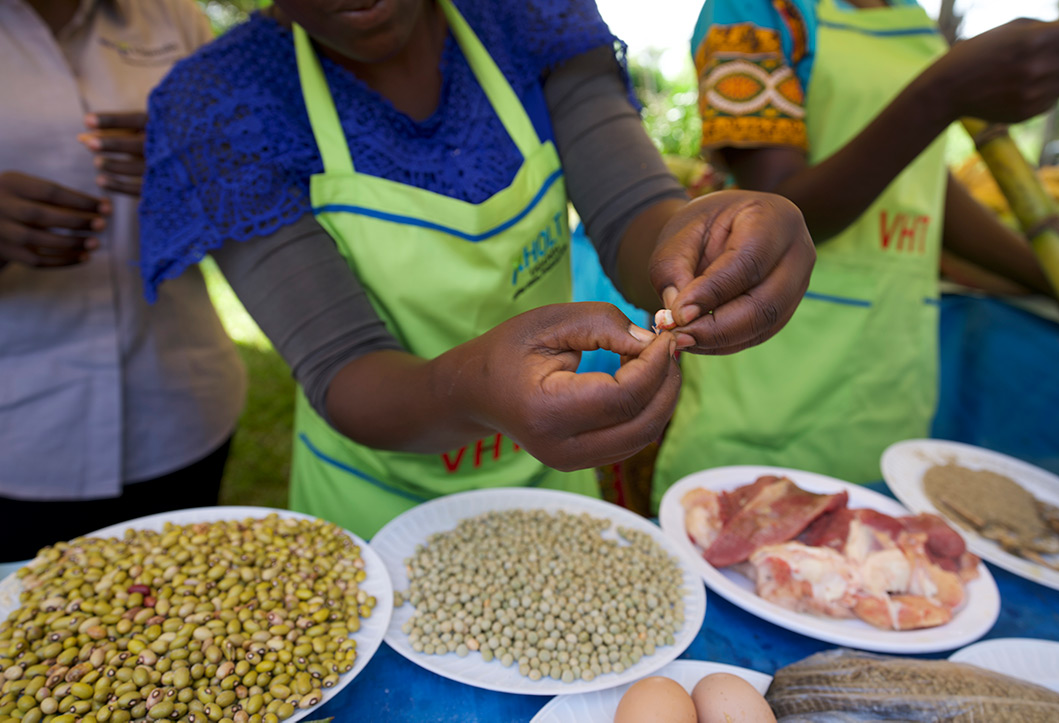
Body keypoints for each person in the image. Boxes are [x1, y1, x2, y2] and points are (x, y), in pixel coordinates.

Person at [138, 0, 816, 538]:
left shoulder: (525, 14)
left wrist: (700, 237)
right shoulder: (219, 101)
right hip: (376, 514)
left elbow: (633, 212)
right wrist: (479, 388)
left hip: (555, 487)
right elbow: (343, 365)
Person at [651, 0, 1059, 507]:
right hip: (775, 384)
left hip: (888, 384)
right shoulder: (760, 11)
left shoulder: (912, 19)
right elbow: (777, 205)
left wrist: (1058, 279)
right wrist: (942, 93)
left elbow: (922, 190)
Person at [0, 0, 246, 561]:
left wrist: (198, 174)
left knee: (179, 622)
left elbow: (249, 194)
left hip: (177, 406)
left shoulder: (173, 18)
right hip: (18, 439)